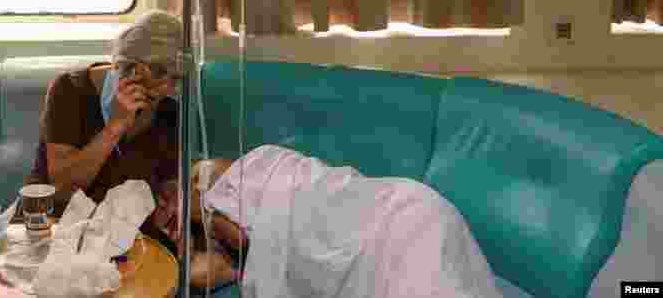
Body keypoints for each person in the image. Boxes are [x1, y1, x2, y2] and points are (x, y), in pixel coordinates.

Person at [152, 145, 504, 298]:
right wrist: (184, 248)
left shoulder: (225, 172)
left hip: (392, 216)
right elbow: (215, 270)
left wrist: (200, 210)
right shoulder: (218, 243)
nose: (169, 209)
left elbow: (241, 235)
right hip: (402, 215)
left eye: (167, 199)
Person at [26, 10, 183, 242]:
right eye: (160, 74)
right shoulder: (70, 91)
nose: (167, 89)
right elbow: (62, 189)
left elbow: (166, 186)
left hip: (126, 238)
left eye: (176, 79)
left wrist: (172, 201)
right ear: (129, 66)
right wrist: (116, 126)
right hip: (55, 229)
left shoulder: (169, 111)